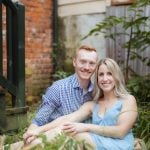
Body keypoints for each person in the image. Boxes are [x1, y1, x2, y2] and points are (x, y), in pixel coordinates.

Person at [22, 58, 138, 150]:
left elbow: (121, 132)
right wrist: (38, 130)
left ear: (116, 76)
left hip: (120, 145)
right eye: (101, 75)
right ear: (97, 79)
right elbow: (66, 119)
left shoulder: (128, 100)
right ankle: (31, 144)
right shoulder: (92, 104)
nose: (105, 78)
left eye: (109, 74)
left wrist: (86, 127)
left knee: (76, 134)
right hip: (96, 142)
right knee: (66, 127)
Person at [23, 45, 98, 143]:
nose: (87, 67)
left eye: (91, 63)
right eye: (82, 62)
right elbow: (39, 121)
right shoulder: (58, 88)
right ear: (74, 62)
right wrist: (30, 135)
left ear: (96, 66)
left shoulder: (97, 93)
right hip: (57, 142)